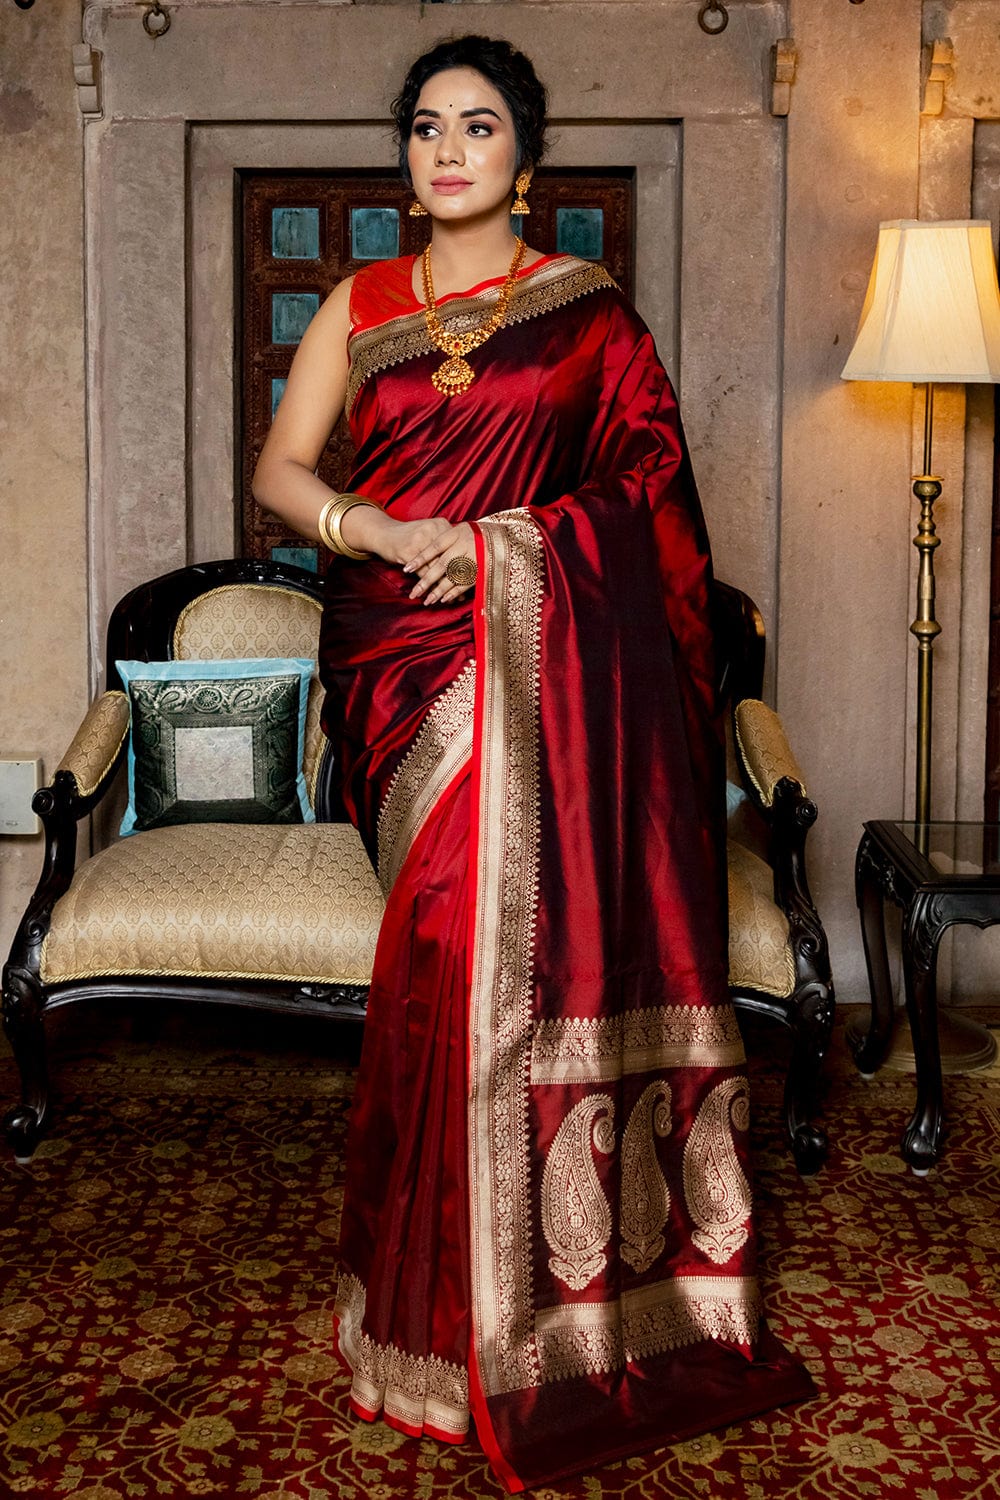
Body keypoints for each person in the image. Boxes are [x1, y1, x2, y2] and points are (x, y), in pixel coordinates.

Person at [252, 34, 814, 1493]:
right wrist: (372, 533)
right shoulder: (360, 305)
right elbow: (282, 471)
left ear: (528, 155)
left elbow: (652, 503)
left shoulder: (590, 320)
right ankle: (430, 1305)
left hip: (542, 662)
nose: (447, 150)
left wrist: (505, 548)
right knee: (444, 947)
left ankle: (525, 1317)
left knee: (484, 955)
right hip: (401, 671)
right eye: (426, 127)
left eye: (479, 126)